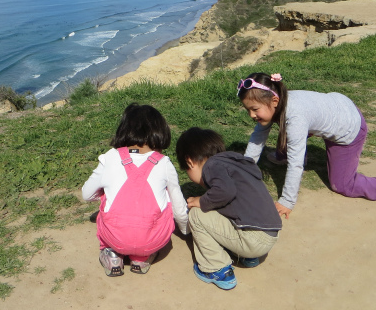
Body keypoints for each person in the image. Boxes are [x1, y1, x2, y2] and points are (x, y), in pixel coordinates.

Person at [238, 72, 376, 219]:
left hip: (348, 128)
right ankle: (283, 153)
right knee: (281, 126)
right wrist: (244, 171)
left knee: (343, 185)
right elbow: (257, 138)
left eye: (254, 110)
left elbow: (296, 165)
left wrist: (287, 201)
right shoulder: (279, 100)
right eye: (248, 110)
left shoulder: (295, 117)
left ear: (274, 100)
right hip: (337, 106)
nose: (251, 115)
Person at [82, 103, 188, 277]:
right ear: (160, 131)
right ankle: (142, 258)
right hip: (152, 240)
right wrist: (186, 230)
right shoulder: (164, 163)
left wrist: (105, 192)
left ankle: (112, 254)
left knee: (106, 201)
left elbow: (87, 194)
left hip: (114, 238)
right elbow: (179, 209)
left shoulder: (110, 157)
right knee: (167, 196)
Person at [175, 127, 281, 291]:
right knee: (220, 206)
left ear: (190, 161)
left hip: (253, 240)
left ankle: (217, 269)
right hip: (270, 232)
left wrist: (202, 201)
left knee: (197, 213)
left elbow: (226, 191)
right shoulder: (237, 163)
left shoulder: (212, 166)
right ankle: (248, 257)